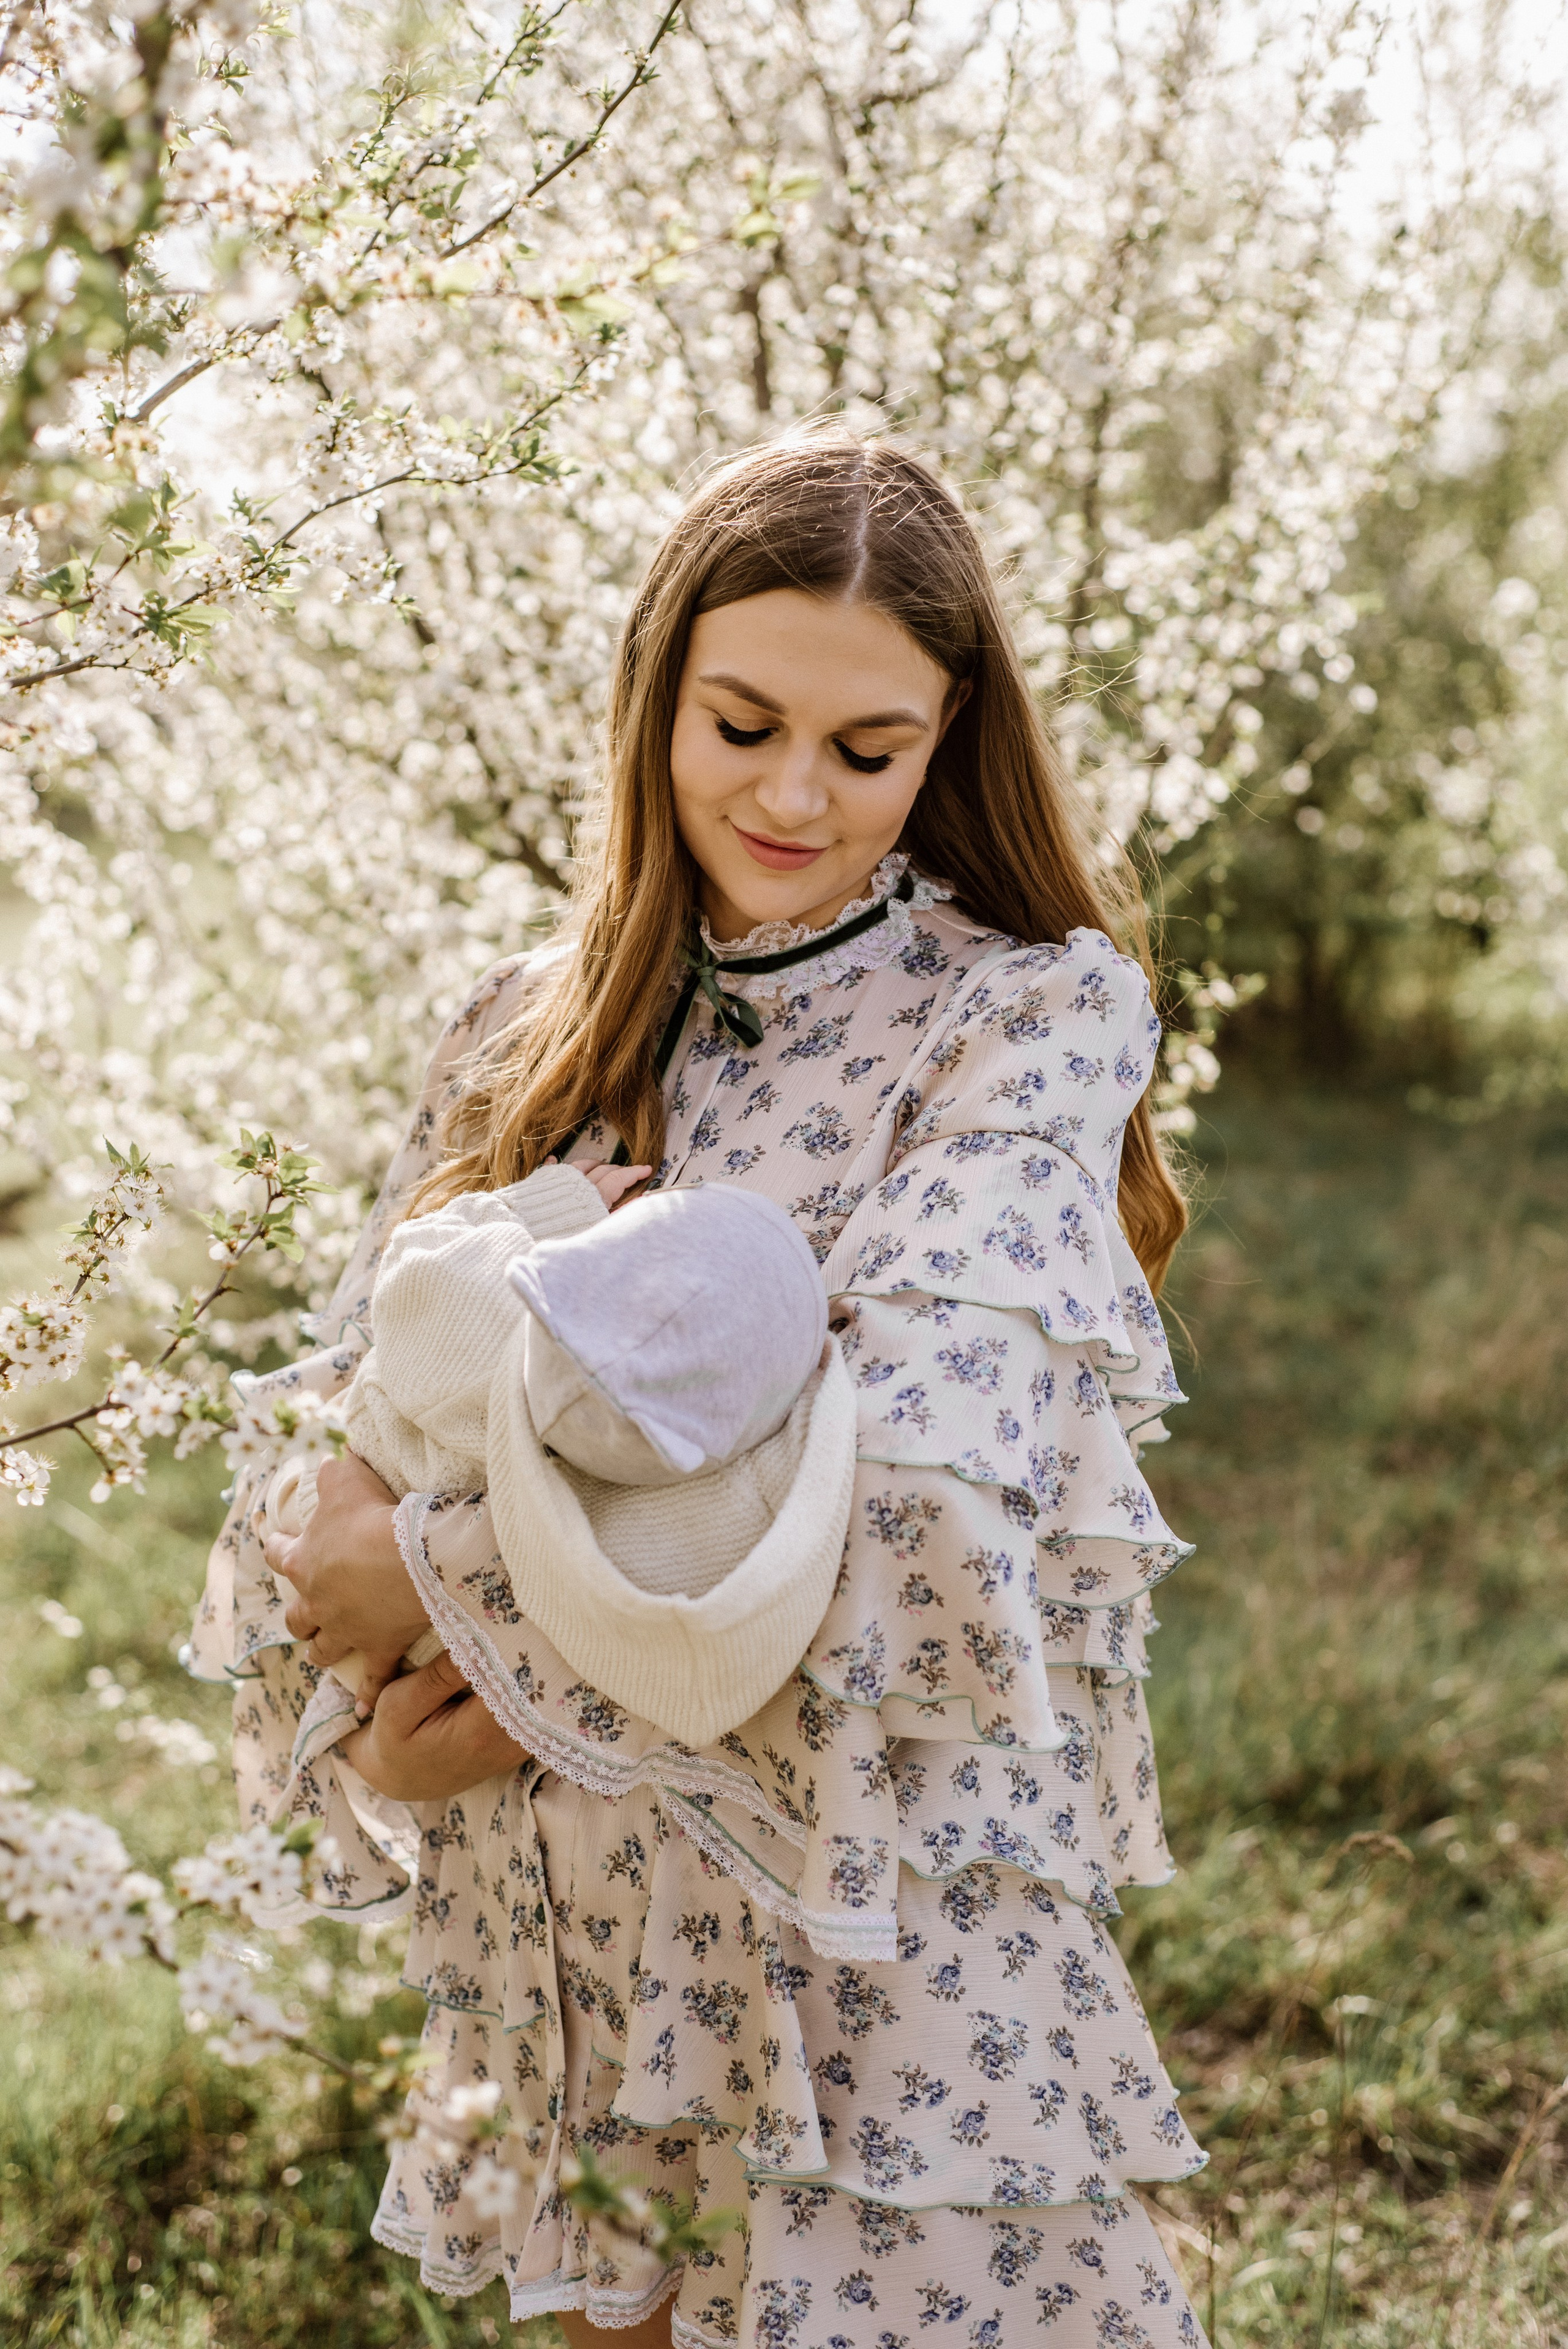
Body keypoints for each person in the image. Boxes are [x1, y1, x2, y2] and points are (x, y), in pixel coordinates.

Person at [188, 434, 1208, 2348]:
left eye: (866, 746)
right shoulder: (527, 1026)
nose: (794, 796)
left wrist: (456, 1613)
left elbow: (904, 1515)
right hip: (561, 1951)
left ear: (949, 735)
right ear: (655, 690)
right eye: (740, 724)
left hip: (860, 1929)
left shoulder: (1020, 1017)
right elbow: (330, 1462)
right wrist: (396, 1660)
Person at [261, 1158, 850, 1748]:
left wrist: (555, 1206)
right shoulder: (651, 1478)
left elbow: (420, 1254)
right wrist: (806, 1393)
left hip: (320, 1512)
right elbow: (731, 1556)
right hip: (449, 1667)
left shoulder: (489, 1308)